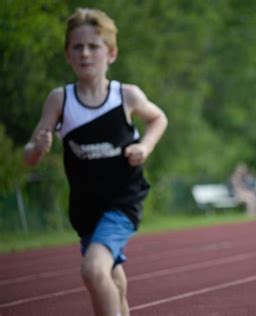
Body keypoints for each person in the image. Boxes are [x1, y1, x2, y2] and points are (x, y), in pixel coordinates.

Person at [23, 8, 168, 315]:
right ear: (67, 54)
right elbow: (29, 157)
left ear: (111, 53)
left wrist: (145, 145)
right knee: (112, 278)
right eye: (78, 46)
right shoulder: (59, 100)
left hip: (123, 199)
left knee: (93, 270)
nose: (85, 53)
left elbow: (158, 118)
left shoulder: (125, 95)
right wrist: (38, 146)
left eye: (94, 46)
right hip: (87, 206)